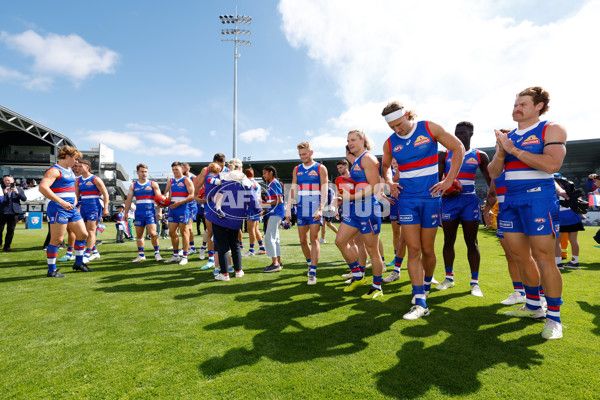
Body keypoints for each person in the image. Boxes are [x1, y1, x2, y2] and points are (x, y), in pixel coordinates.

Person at [488, 86, 567, 340]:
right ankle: (533, 305)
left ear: (539, 106)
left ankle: (554, 318)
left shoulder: (551, 129)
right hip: (511, 200)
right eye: (515, 104)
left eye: (523, 104)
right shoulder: (509, 136)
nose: (517, 108)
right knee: (519, 256)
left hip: (538, 198)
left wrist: (513, 150)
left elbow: (552, 165)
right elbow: (493, 172)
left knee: (544, 257)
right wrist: (501, 151)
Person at [381, 101, 464, 320]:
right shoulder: (390, 143)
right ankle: (419, 302)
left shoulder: (429, 128)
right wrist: (389, 182)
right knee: (414, 249)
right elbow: (385, 167)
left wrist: (449, 180)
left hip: (431, 199)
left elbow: (458, 148)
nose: (397, 130)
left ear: (407, 115)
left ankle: (426, 283)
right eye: (392, 127)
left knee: (428, 249)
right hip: (407, 199)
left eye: (399, 124)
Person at [437, 122, 491, 297]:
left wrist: (493, 204)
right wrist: (442, 196)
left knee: (472, 242)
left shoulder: (480, 155)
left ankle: (475, 283)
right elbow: (437, 181)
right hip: (449, 202)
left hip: (469, 200)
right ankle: (448, 278)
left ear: (471, 134)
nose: (459, 136)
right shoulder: (444, 155)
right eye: (456, 133)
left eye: (463, 133)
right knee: (448, 240)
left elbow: (491, 181)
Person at [335, 130, 386, 299]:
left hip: (368, 210)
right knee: (340, 241)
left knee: (373, 251)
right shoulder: (357, 160)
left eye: (353, 140)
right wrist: (344, 197)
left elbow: (375, 186)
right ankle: (358, 276)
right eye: (348, 140)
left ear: (363, 140)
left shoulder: (367, 158)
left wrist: (351, 196)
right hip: (354, 210)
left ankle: (377, 287)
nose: (350, 143)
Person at [38, 146, 91, 277]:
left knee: (83, 234)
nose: (76, 162)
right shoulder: (54, 170)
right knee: (57, 240)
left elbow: (69, 188)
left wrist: (74, 200)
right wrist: (61, 202)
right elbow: (43, 188)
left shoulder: (70, 171)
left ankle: (78, 263)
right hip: (58, 208)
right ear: (67, 156)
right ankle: (52, 270)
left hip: (71, 209)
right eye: (75, 158)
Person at [207, 158, 261, 281]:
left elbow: (212, 191)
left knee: (222, 245)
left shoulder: (223, 177)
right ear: (240, 167)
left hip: (219, 215)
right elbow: (252, 199)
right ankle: (238, 271)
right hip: (236, 216)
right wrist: (258, 210)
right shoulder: (246, 181)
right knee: (234, 243)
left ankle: (225, 274)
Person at [285, 141, 329, 285]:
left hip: (315, 207)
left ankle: (313, 271)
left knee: (314, 239)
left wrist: (321, 208)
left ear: (311, 152)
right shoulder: (297, 169)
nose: (302, 157)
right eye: (300, 155)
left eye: (304, 154)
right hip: (301, 208)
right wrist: (288, 206)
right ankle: (310, 263)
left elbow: (324, 189)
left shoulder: (320, 168)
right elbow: (293, 188)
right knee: (302, 240)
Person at [193, 153, 228, 269]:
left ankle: (226, 259)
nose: (220, 168)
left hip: (225, 204)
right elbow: (198, 184)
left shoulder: (228, 170)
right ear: (213, 162)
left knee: (225, 233)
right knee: (210, 231)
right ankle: (211, 259)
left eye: (222, 165)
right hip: (209, 203)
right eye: (219, 165)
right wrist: (196, 196)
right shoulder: (206, 170)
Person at [123, 164, 163, 262]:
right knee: (139, 235)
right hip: (139, 213)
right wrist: (126, 213)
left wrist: (160, 211)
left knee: (153, 233)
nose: (144, 173)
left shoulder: (153, 184)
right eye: (142, 171)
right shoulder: (133, 185)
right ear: (137, 172)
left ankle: (157, 253)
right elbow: (128, 200)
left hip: (150, 212)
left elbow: (159, 199)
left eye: (145, 171)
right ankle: (141, 255)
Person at [75, 159, 109, 263]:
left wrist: (106, 208)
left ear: (87, 167)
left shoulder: (95, 179)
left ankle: (87, 254)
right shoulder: (78, 181)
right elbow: (76, 197)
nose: (78, 168)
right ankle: (95, 252)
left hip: (94, 207)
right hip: (84, 207)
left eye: (80, 166)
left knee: (91, 231)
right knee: (85, 232)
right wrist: (74, 207)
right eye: (78, 166)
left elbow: (106, 193)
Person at [164, 162, 194, 265]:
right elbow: (166, 193)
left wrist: (179, 203)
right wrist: (163, 201)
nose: (175, 171)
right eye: (173, 170)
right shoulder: (171, 181)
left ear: (182, 169)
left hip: (183, 208)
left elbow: (192, 196)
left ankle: (185, 256)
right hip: (172, 209)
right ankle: (175, 255)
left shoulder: (186, 180)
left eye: (176, 169)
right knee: (172, 232)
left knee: (184, 232)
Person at [262, 165, 285, 272]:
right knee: (275, 238)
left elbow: (280, 200)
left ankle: (275, 264)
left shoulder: (274, 183)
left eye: (265, 173)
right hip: (274, 213)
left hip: (276, 213)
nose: (263, 175)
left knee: (269, 237)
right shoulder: (272, 184)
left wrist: (265, 206)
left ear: (271, 172)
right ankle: (278, 262)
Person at [242, 168, 267, 257]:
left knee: (251, 230)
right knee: (255, 229)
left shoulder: (250, 183)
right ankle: (262, 247)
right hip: (257, 207)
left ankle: (251, 250)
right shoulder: (257, 183)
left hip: (252, 208)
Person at [0, 174, 27, 252]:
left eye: (9, 180)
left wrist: (17, 192)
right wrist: (4, 193)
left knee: (11, 230)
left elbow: (24, 199)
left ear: (13, 181)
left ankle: (7, 247)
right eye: (5, 180)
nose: (7, 182)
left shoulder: (19, 189)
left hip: (14, 213)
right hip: (2, 212)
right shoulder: (1, 189)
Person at [182, 162, 198, 255]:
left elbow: (196, 192)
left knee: (189, 227)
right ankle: (189, 246)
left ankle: (190, 247)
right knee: (184, 228)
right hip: (183, 205)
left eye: (182, 168)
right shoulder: (179, 180)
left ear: (187, 169)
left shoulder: (193, 178)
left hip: (191, 205)